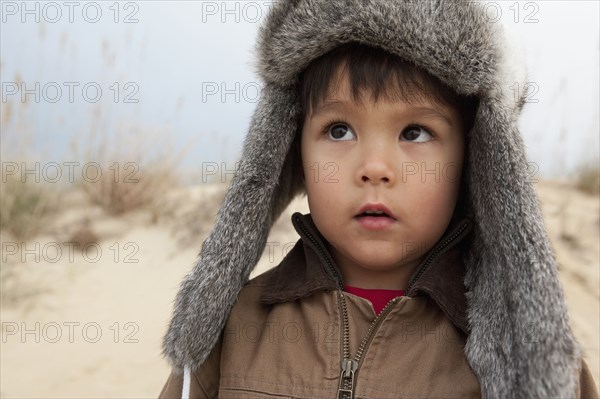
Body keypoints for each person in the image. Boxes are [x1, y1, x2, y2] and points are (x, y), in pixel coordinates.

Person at [159, 1, 599, 398]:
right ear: (292, 151)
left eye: (415, 133)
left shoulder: (527, 358)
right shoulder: (235, 329)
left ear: (472, 162)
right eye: (338, 130)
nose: (373, 167)